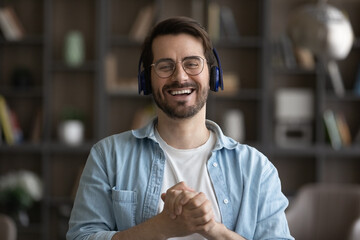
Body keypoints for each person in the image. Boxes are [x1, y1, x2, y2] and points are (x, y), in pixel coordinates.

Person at [67, 16, 293, 240]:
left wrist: (212, 229)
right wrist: (161, 228)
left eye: (192, 63)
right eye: (165, 66)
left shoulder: (256, 169)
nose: (180, 77)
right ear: (147, 80)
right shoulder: (108, 156)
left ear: (212, 75)